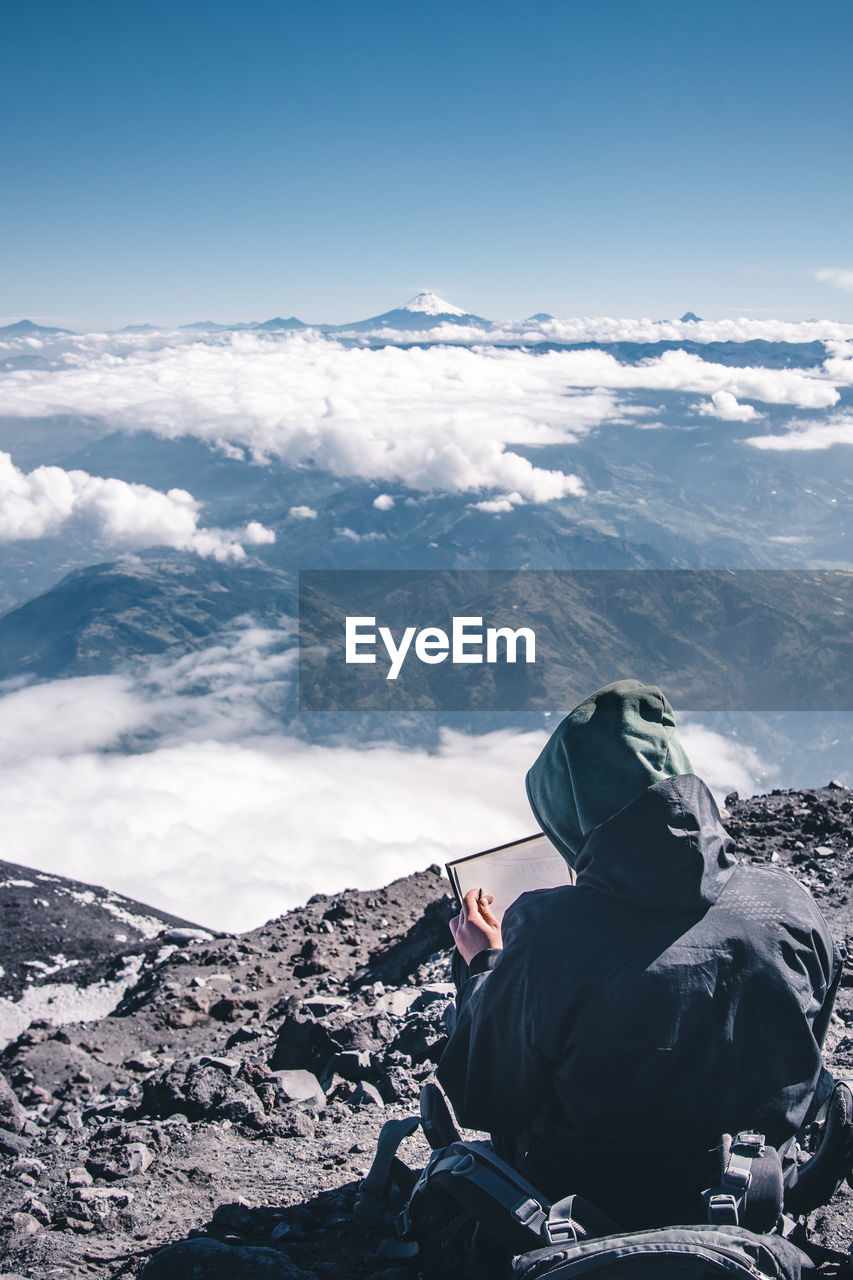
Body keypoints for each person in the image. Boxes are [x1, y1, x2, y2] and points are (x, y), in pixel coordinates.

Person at [436, 679, 841, 1229]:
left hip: (582, 1214)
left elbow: (486, 1097)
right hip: (753, 1198)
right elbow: (805, 1058)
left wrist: (486, 964)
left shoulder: (545, 930)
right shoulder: (789, 905)